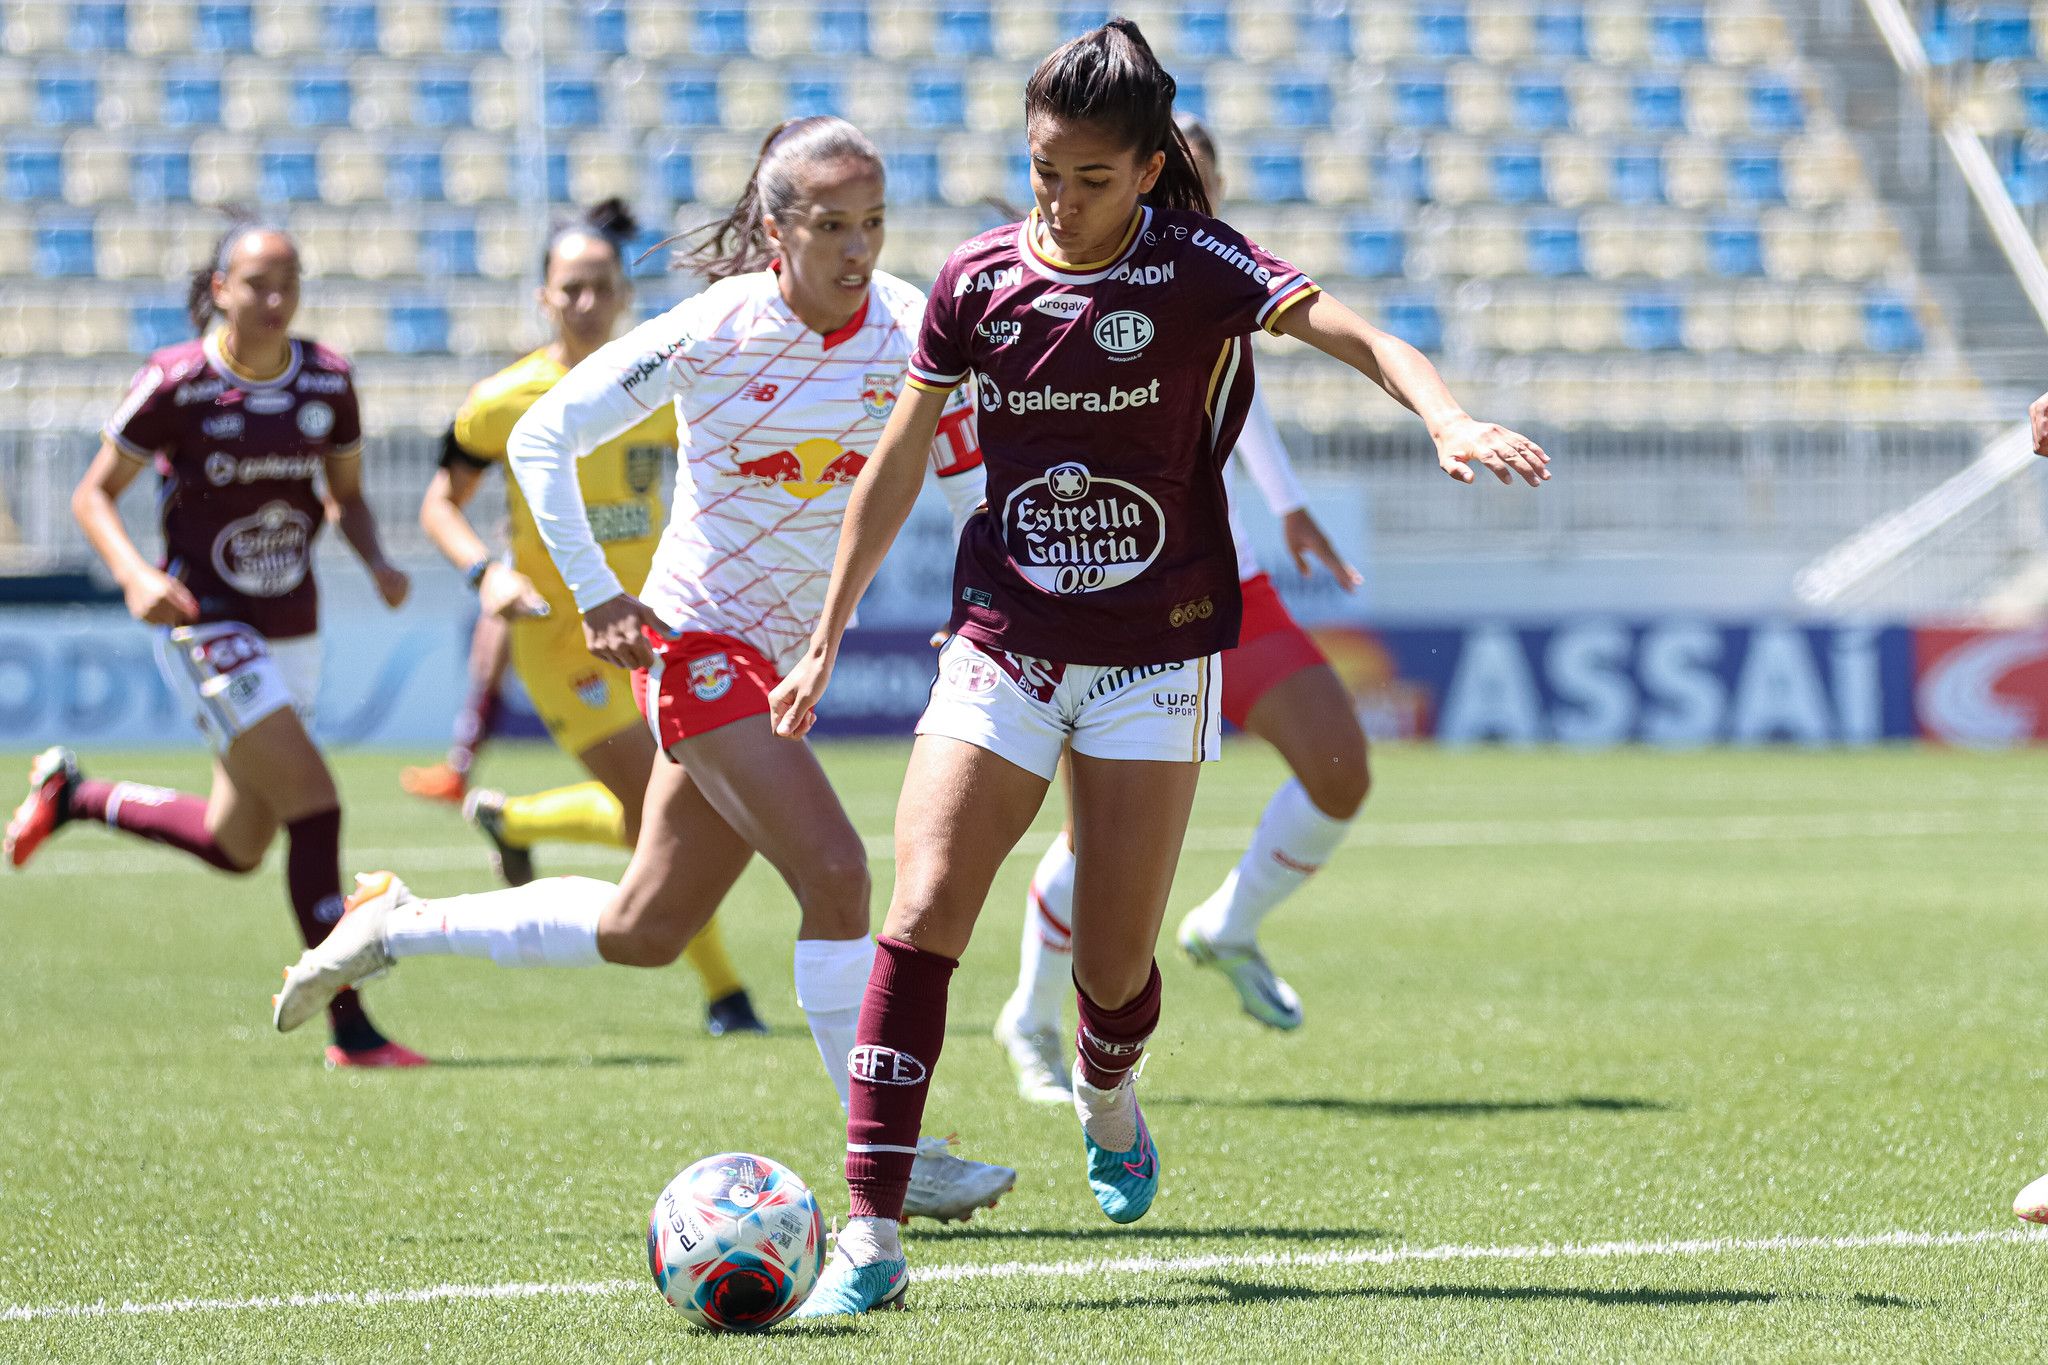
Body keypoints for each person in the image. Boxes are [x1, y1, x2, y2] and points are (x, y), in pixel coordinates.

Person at [769, 21, 1548, 1314]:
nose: (1058, 201)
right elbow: (899, 460)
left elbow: (1355, 334)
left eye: (1086, 177)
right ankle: (870, 1238)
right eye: (1040, 173)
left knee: (1115, 971)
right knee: (921, 917)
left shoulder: (1199, 265)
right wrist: (826, 630)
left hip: (1154, 657)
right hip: (1004, 642)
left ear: (1145, 170)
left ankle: (1105, 1082)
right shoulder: (974, 282)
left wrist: (1448, 415)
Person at [268, 117, 1015, 1220]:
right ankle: (891, 1159)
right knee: (840, 877)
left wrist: (979, 600)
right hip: (697, 648)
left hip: (773, 666)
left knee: (646, 929)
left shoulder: (910, 326)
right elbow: (540, 440)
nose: (858, 249)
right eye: (830, 226)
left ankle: (393, 925)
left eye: (873, 224)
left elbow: (966, 480)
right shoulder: (710, 330)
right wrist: (598, 593)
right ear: (774, 229)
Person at [993, 113, 1372, 1104]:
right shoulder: (1069, 283)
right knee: (1095, 837)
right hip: (1115, 602)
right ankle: (1031, 1018)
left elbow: (1232, 393)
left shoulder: (1206, 274)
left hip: (1229, 584)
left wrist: (1286, 507)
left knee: (1339, 768)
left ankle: (1229, 926)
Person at [2, 221, 422, 1068]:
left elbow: (345, 495)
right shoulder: (178, 382)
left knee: (239, 846)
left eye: (289, 283)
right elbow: (94, 494)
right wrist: (132, 575)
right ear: (220, 287)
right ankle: (351, 1026)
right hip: (205, 624)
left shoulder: (328, 380)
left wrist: (375, 556)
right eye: (258, 283)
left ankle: (76, 795)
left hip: (292, 625)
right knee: (316, 804)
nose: (275, 300)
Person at [409, 197, 762, 1037]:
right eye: (569, 288)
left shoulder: (658, 382)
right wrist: (483, 572)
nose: (585, 302)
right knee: (669, 809)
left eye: (600, 286)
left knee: (673, 815)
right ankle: (726, 996)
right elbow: (439, 502)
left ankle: (517, 818)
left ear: (622, 295)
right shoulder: (502, 402)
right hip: (562, 639)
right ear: (543, 297)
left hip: (657, 626)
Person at [397, 609, 509, 806]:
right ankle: (457, 771)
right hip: (516, 580)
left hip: (540, 587)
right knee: (484, 666)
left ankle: (458, 772)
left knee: (490, 667)